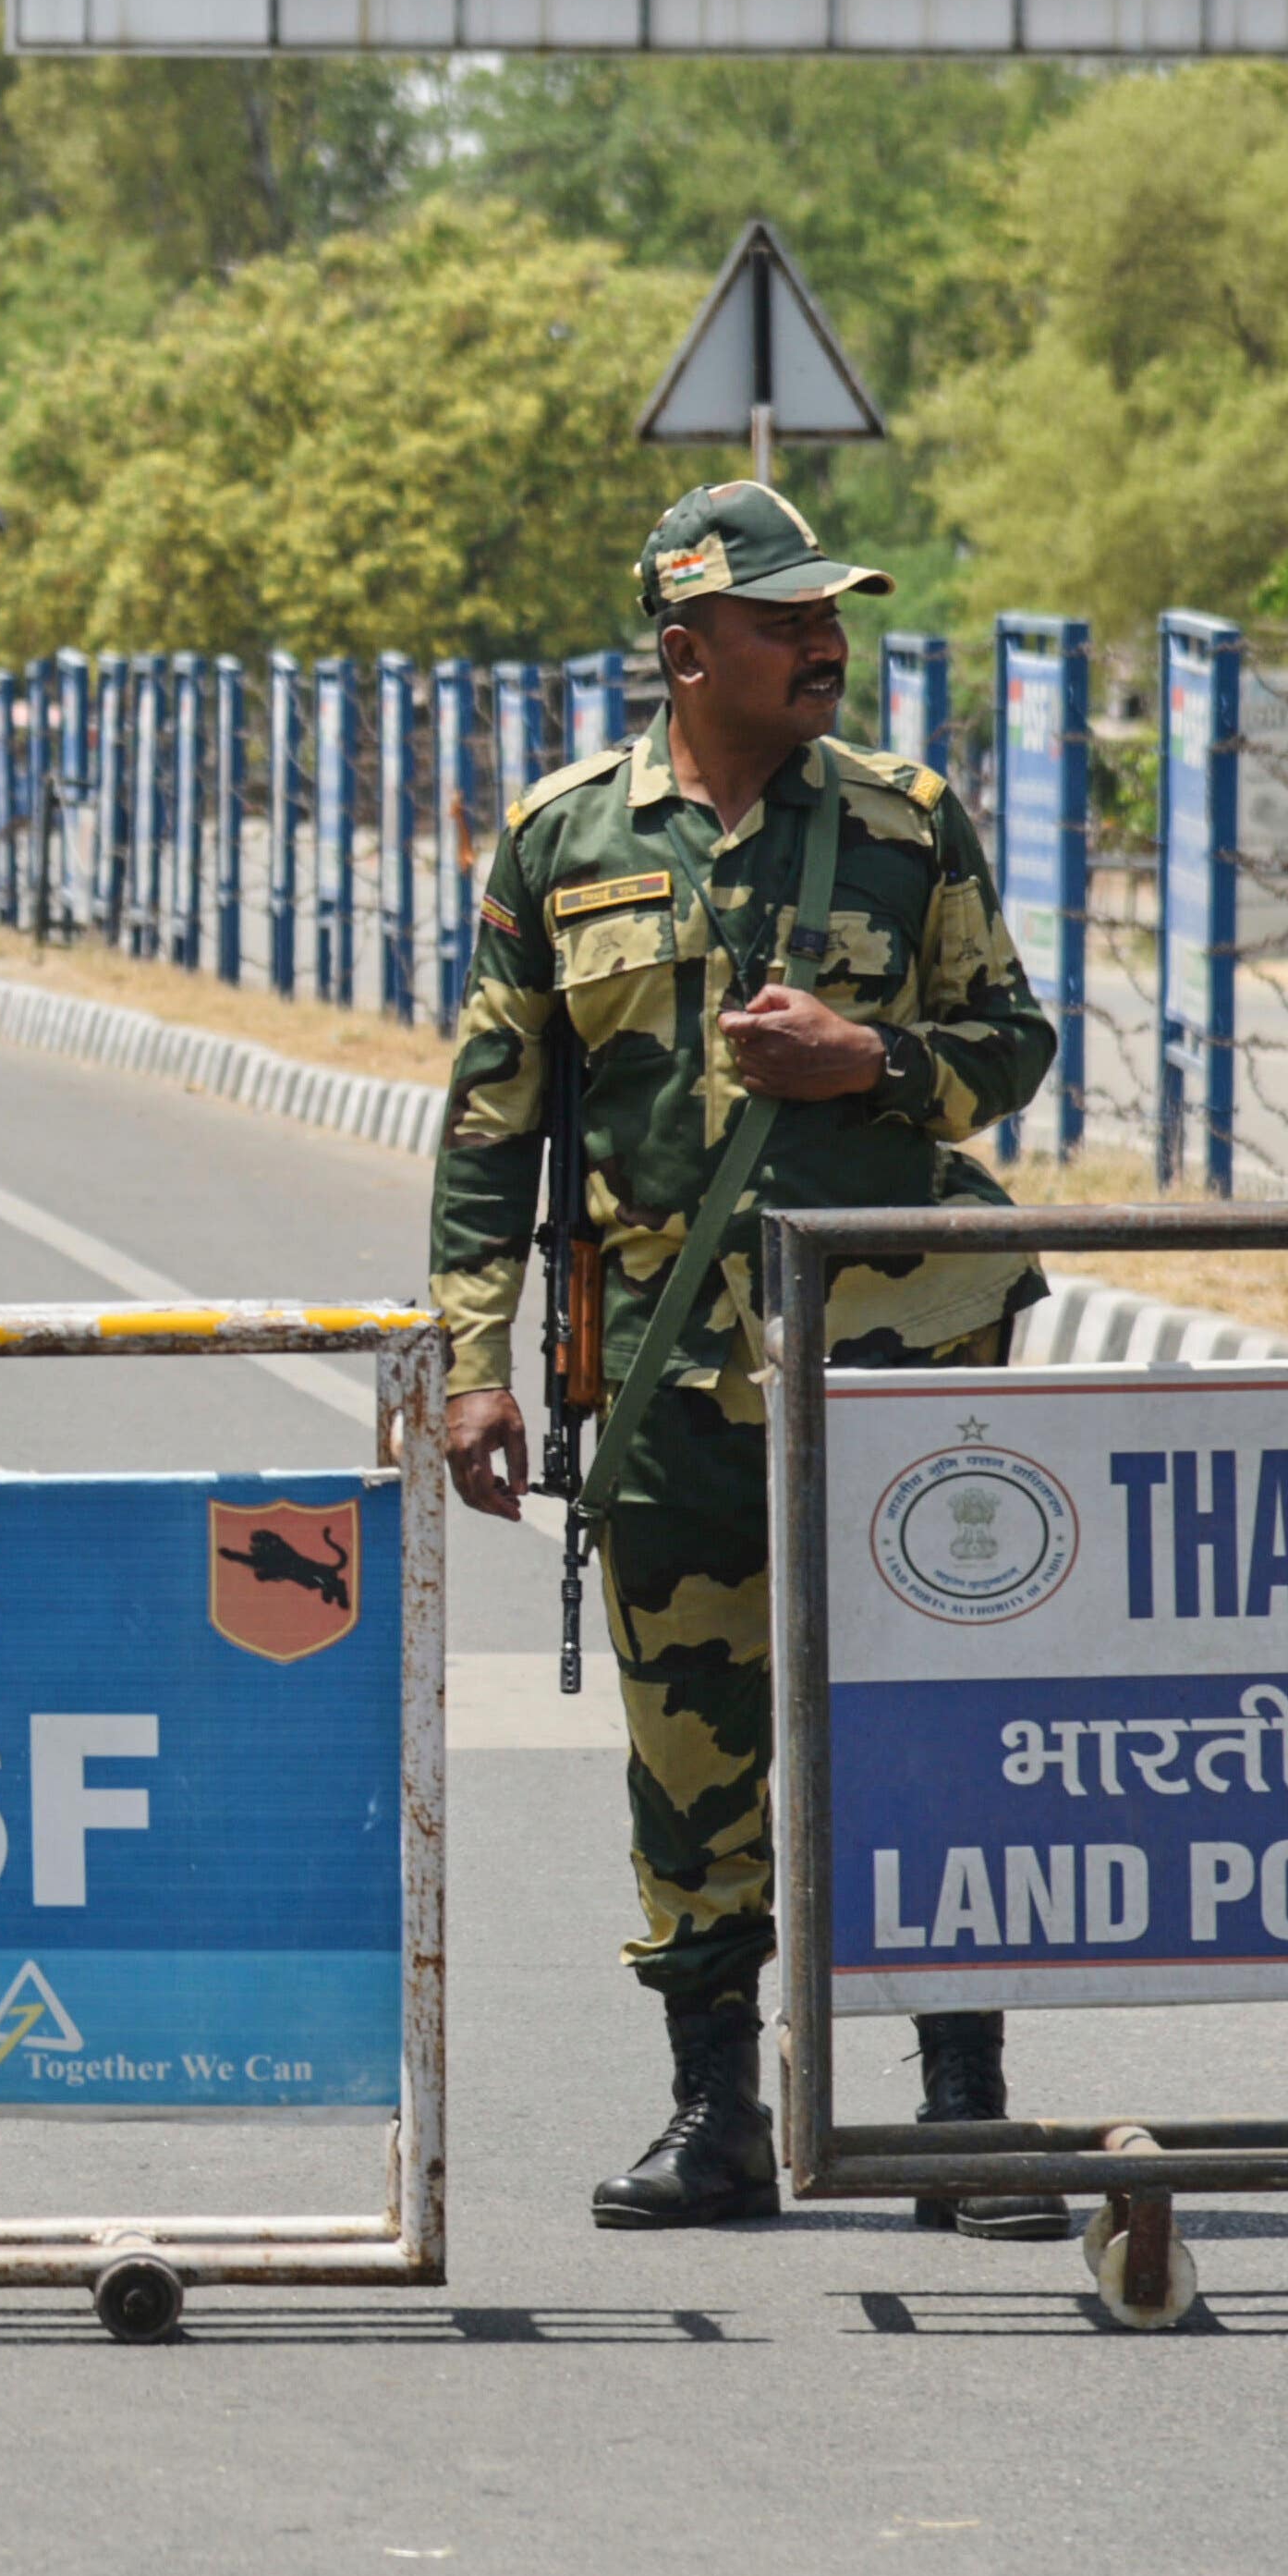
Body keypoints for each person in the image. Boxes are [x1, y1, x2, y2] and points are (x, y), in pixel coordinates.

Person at [431, 481, 1062, 2237]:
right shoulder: (561, 841)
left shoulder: (908, 822)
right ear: (686, 647)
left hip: (899, 1364)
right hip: (663, 1377)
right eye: (787, 621)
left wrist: (873, 1061)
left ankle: (956, 2114)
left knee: (930, 1726)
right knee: (691, 1748)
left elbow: (1013, 1042)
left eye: (831, 616)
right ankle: (717, 2116)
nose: (825, 644)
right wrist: (471, 1366)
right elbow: (494, 1125)